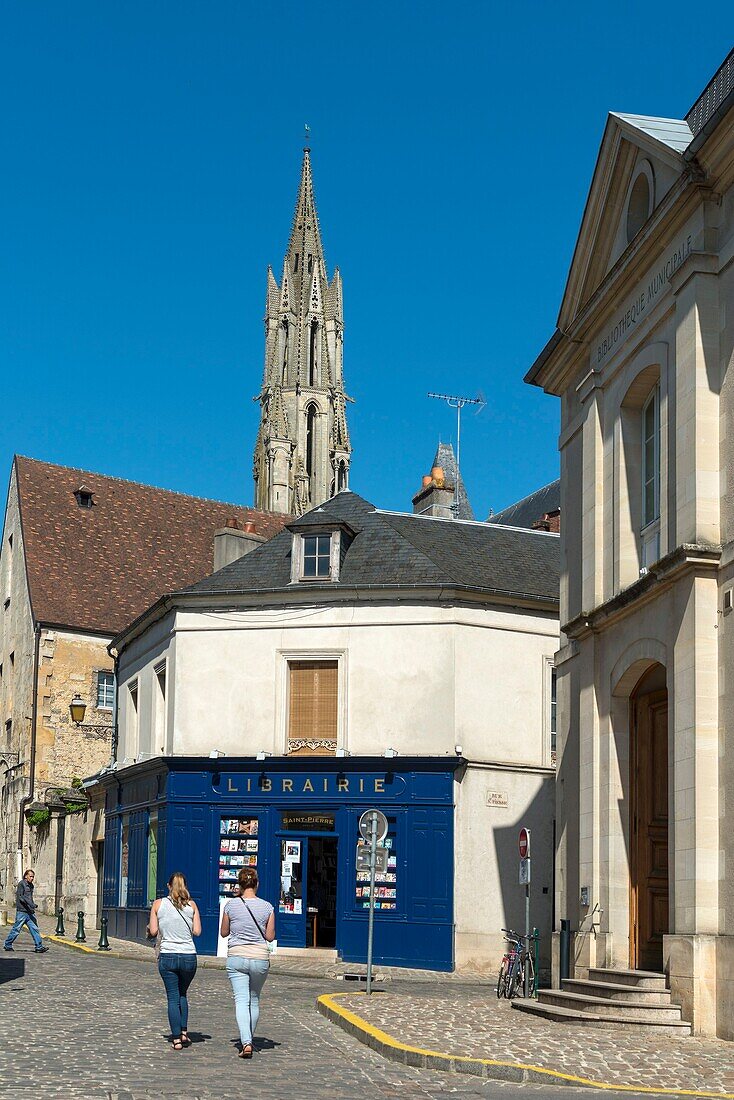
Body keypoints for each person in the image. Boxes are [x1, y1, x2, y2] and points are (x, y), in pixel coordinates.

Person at [220, 866, 275, 1059]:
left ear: (240, 885)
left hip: (237, 956)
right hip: (259, 957)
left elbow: (224, 932)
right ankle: (248, 1040)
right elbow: (269, 936)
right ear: (256, 883)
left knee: (241, 1000)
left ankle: (246, 1043)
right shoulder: (268, 907)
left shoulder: (230, 905)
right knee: (254, 999)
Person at [148, 872, 201, 1050]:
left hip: (168, 955)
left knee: (172, 997)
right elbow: (197, 931)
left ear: (169, 886)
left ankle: (176, 1038)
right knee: (182, 993)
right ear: (185, 886)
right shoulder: (192, 905)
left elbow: (154, 931)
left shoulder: (158, 904)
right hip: (188, 956)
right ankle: (184, 1032)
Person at [4, 869, 48, 953]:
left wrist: (32, 906)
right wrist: (30, 904)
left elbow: (29, 898)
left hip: (30, 912)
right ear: (26, 876)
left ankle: (39, 947)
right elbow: (21, 897)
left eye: (33, 877)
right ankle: (8, 944)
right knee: (16, 929)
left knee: (34, 929)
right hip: (22, 912)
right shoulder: (21, 884)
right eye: (30, 876)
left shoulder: (31, 885)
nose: (32, 878)